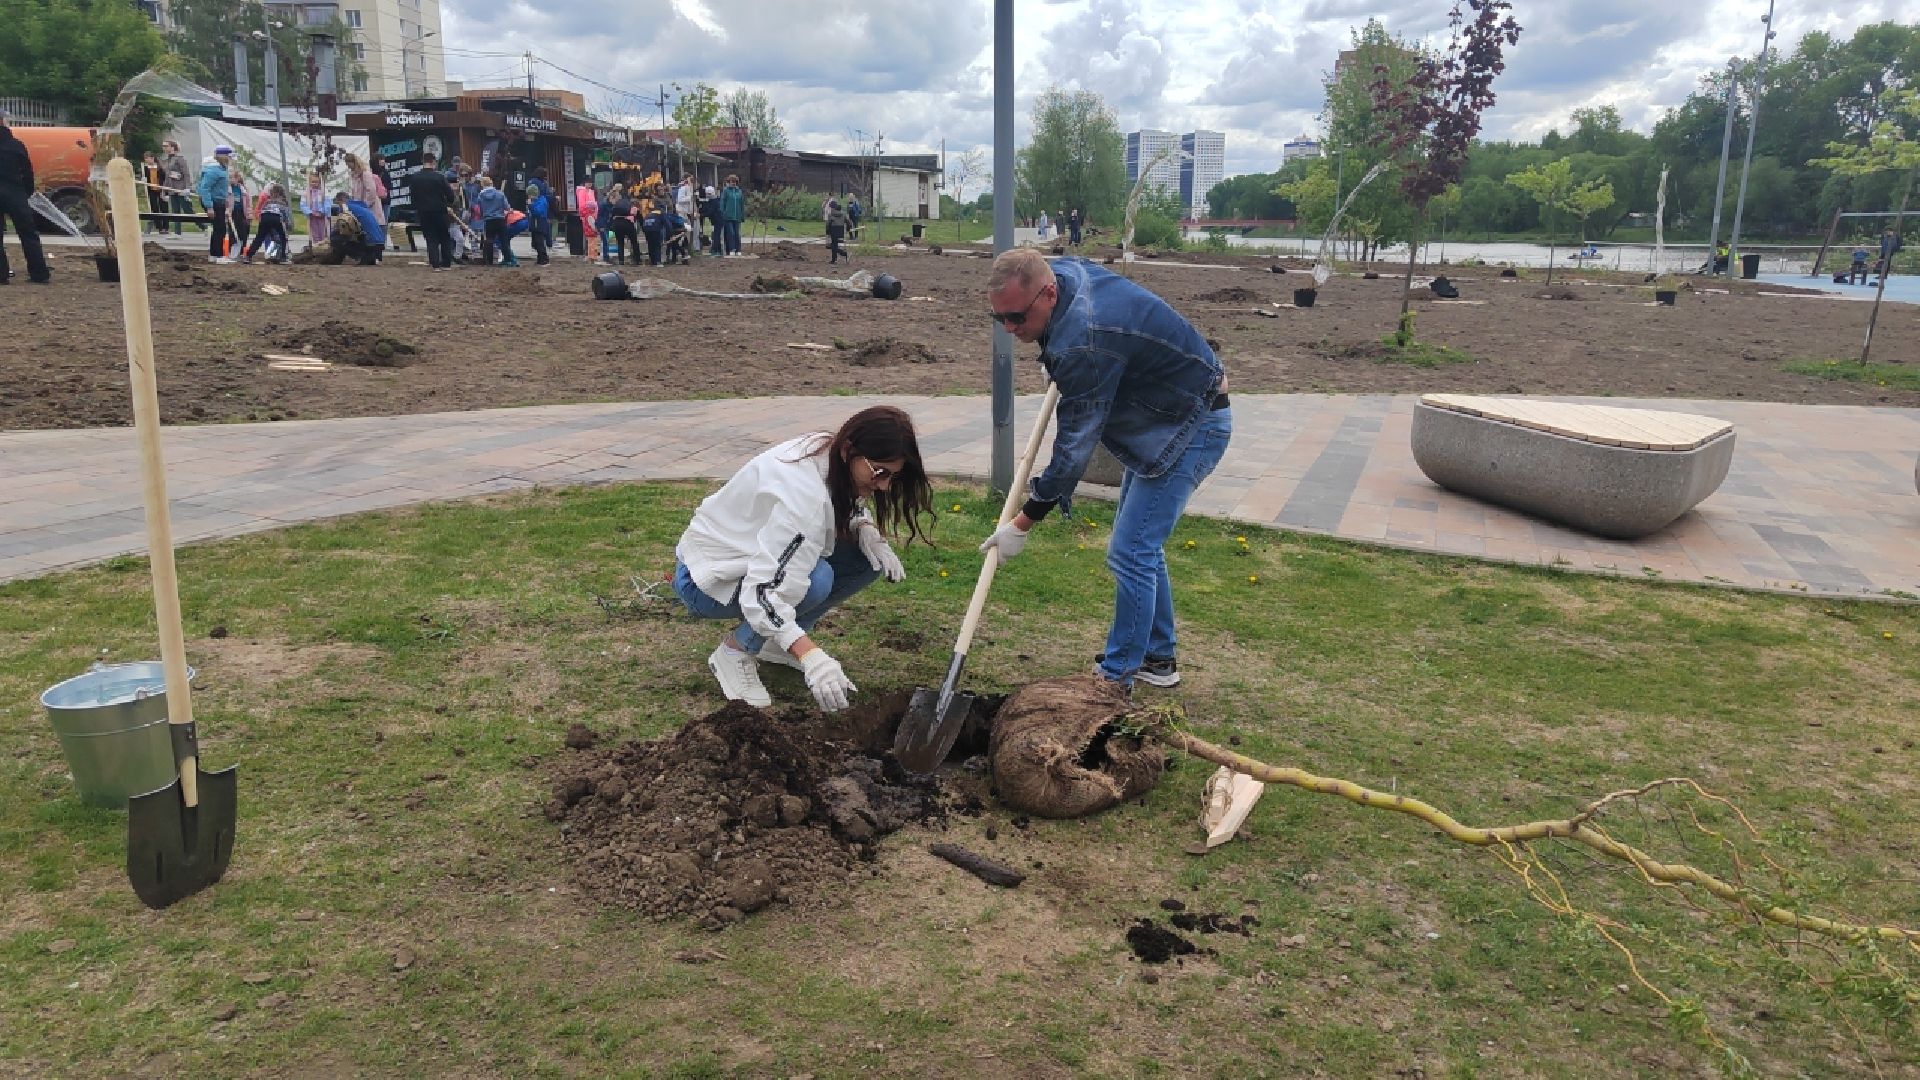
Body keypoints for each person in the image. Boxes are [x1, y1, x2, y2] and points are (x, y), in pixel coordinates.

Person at [978, 248, 1231, 690]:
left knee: (1131, 551)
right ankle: (1157, 658)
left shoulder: (1085, 339)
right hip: (1166, 414)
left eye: (1018, 317)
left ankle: (1117, 678)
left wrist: (1023, 521)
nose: (1011, 330)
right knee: (1140, 548)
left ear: (1049, 293)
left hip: (1191, 424)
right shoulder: (1061, 274)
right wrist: (1051, 352)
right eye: (1000, 319)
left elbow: (1073, 451)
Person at [672, 405, 933, 711]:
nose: (885, 485)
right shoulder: (803, 500)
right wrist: (811, 656)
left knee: (865, 560)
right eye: (880, 472)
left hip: (741, 558)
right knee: (816, 580)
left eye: (893, 476)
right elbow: (762, 593)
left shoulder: (827, 450)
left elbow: (836, 501)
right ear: (850, 450)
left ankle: (773, 643)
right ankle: (734, 652)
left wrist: (862, 526)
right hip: (706, 581)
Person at [0, 119, 51, 284]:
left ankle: (2, 275)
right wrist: (26, 192)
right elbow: (28, 172)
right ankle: (39, 273)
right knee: (28, 235)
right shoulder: (17, 145)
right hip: (15, 193)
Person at [406, 152, 457, 271]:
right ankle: (446, 264)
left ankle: (435, 264)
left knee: (430, 237)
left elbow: (412, 197)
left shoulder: (414, 178)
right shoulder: (439, 177)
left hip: (423, 212)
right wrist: (448, 203)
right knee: (444, 237)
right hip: (440, 211)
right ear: (434, 162)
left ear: (422, 162)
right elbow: (450, 196)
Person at [195, 146, 234, 262]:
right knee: (219, 229)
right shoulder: (213, 170)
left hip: (219, 200)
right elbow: (205, 188)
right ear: (222, 156)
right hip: (213, 202)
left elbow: (221, 186)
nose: (229, 159)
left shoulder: (222, 169)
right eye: (228, 156)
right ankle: (217, 255)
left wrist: (225, 197)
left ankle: (215, 255)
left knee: (220, 229)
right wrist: (209, 207)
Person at [240, 182, 291, 264]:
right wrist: (288, 225)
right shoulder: (283, 202)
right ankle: (283, 258)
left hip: (264, 217)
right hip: (276, 217)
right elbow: (285, 214)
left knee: (259, 237)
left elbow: (263, 210)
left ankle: (248, 256)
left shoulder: (268, 201)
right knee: (283, 237)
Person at [473, 176, 516, 267]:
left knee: (489, 241)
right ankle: (508, 259)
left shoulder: (480, 196)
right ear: (491, 183)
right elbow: (507, 207)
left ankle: (489, 261)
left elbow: (480, 210)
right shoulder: (500, 194)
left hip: (488, 220)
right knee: (504, 240)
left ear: (482, 185)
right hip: (500, 219)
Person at [161, 140, 195, 235]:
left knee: (188, 210)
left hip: (181, 189)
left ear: (172, 147)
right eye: (163, 146)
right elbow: (167, 177)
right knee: (175, 211)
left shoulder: (180, 159)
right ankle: (177, 232)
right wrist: (164, 191)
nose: (164, 148)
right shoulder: (167, 160)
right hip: (172, 189)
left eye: (166, 146)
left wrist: (187, 188)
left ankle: (204, 227)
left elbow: (186, 174)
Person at [525, 165, 553, 265]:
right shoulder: (539, 198)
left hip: (539, 223)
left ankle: (544, 259)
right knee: (537, 242)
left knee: (539, 242)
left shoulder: (540, 201)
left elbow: (537, 212)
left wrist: (531, 206)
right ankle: (540, 258)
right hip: (536, 223)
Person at [607, 184, 638, 265]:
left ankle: (621, 261)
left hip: (617, 223)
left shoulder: (614, 204)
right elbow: (634, 213)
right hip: (628, 223)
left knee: (620, 243)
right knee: (634, 241)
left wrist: (611, 226)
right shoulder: (628, 202)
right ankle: (637, 259)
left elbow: (611, 215)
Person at [301, 170, 330, 251]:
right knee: (314, 233)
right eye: (313, 182)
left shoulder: (323, 192)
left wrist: (322, 211)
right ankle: (315, 248)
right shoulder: (306, 193)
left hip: (321, 216)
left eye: (317, 182)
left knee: (323, 232)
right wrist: (309, 212)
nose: (315, 184)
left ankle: (324, 248)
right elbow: (302, 204)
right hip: (312, 216)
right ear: (309, 182)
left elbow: (327, 203)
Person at [141, 152, 167, 234]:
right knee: (154, 208)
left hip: (161, 189)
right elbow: (145, 178)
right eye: (145, 158)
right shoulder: (145, 168)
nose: (146, 160)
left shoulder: (160, 167)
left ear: (152, 158)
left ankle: (165, 227)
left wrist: (164, 190)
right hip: (151, 190)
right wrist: (143, 180)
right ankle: (159, 227)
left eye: (148, 158)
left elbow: (164, 178)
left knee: (164, 208)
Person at [227, 168, 251, 257]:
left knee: (243, 232)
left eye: (232, 178)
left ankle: (241, 251)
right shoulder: (228, 189)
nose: (230, 180)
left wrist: (249, 215)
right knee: (232, 232)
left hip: (241, 212)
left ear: (237, 179)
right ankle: (232, 250)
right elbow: (225, 200)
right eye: (229, 178)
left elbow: (248, 203)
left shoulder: (243, 189)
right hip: (231, 213)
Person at [575, 177, 600, 262]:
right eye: (588, 183)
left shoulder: (590, 191)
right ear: (584, 183)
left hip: (591, 214)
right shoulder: (583, 191)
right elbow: (582, 205)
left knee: (590, 236)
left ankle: (591, 254)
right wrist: (588, 213)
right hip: (587, 215)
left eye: (591, 183)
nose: (590, 184)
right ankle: (588, 254)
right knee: (589, 236)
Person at [720, 174, 745, 256]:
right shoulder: (726, 191)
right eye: (731, 181)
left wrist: (742, 215)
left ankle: (738, 250)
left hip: (737, 216)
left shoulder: (739, 191)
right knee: (731, 233)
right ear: (729, 182)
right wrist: (723, 212)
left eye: (734, 182)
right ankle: (731, 249)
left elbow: (742, 204)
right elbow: (722, 202)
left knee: (737, 233)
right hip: (728, 216)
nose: (733, 183)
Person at [825, 197, 850, 264]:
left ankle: (844, 254)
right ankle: (834, 260)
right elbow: (849, 222)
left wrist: (827, 232)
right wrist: (848, 229)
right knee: (834, 245)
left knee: (832, 246)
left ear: (833, 208)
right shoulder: (843, 215)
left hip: (833, 231)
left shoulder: (830, 215)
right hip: (840, 231)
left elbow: (828, 224)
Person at [701, 184, 722, 255]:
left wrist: (701, 215)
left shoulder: (714, 202)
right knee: (715, 235)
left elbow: (710, 212)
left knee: (716, 235)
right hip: (715, 221)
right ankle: (717, 249)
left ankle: (716, 250)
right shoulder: (712, 201)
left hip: (718, 220)